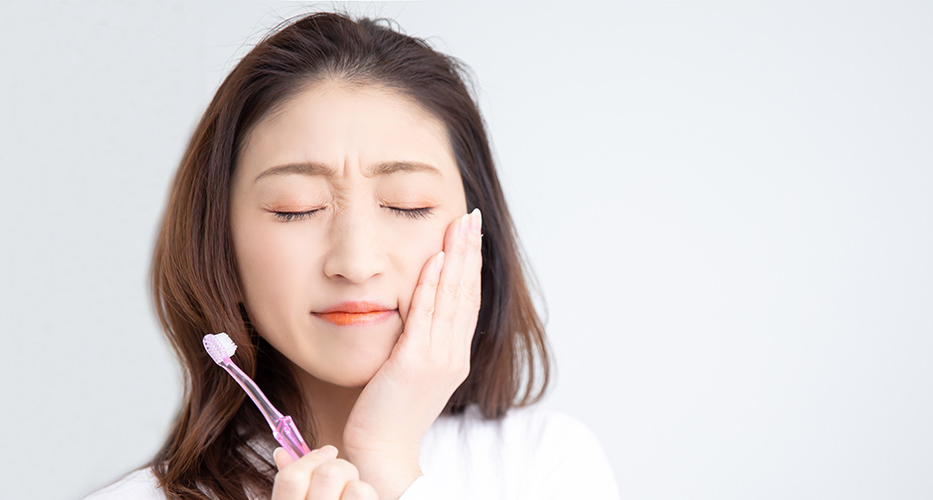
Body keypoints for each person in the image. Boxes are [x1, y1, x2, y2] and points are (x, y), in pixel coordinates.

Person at [82, 10, 619, 500]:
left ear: (477, 230)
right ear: (218, 238)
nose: (356, 262)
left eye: (408, 206)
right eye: (295, 209)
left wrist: (385, 458)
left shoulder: (546, 466)